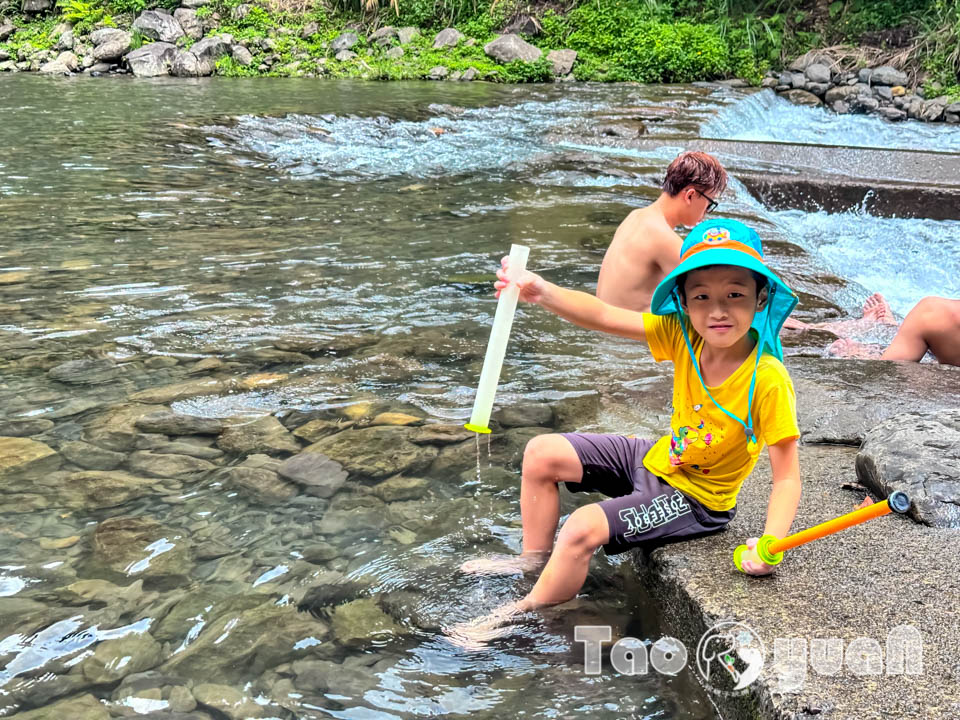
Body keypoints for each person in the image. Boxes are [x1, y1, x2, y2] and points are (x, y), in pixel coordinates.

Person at [451, 219, 803, 646]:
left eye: (735, 295)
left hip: (697, 499)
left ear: (760, 298)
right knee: (542, 452)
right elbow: (603, 315)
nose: (718, 311)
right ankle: (532, 561)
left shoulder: (767, 380)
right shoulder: (683, 335)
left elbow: (786, 476)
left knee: (581, 527)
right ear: (683, 302)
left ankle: (517, 614)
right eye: (702, 297)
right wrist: (539, 291)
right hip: (658, 459)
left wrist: (771, 544)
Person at [596, 151, 728, 313]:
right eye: (709, 203)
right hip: (629, 336)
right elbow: (709, 293)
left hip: (606, 327)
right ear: (690, 196)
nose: (706, 212)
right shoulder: (662, 238)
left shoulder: (635, 217)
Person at [827, 296, 960, 367]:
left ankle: (888, 329)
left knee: (926, 322)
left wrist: (859, 356)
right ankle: (893, 328)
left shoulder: (934, 313)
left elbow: (888, 371)